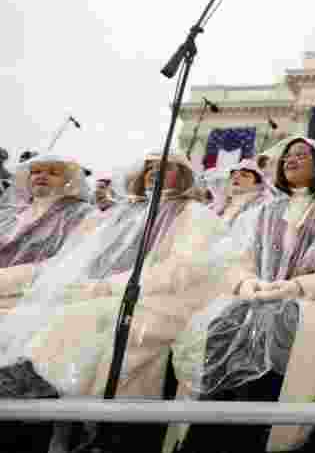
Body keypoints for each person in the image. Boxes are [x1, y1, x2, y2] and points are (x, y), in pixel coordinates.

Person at [170, 136, 315, 453]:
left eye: (301, 155)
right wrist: (247, 285)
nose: (290, 160)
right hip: (258, 297)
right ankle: (201, 442)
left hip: (312, 302)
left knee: (275, 324)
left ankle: (243, 448)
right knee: (224, 322)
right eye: (287, 155)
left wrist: (294, 287)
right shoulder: (265, 210)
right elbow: (236, 261)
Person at [0, 152, 228, 400]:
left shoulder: (194, 213)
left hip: (161, 299)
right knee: (42, 305)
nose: (154, 172)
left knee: (83, 316)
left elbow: (183, 268)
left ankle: (41, 381)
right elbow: (83, 258)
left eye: (166, 168)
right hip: (104, 290)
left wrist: (109, 287)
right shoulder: (126, 212)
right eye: (149, 168)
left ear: (183, 176)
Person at [0, 155, 95, 309]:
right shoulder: (10, 214)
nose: (42, 176)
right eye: (36, 171)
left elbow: (71, 263)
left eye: (53, 173)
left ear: (68, 180)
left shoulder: (81, 213)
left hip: (33, 303)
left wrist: (9, 278)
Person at [216, 159, 272, 228]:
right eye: (234, 174)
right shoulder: (223, 202)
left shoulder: (260, 204)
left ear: (257, 183)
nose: (236, 177)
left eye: (244, 175)